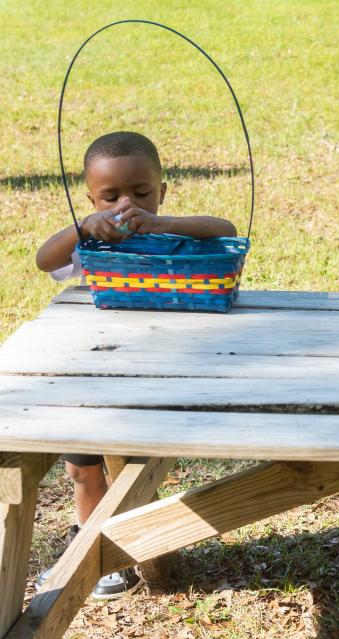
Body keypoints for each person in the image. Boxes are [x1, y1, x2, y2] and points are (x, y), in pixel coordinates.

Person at [35, 130, 236, 599]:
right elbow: (46, 260)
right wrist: (84, 226)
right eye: (110, 196)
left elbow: (224, 228)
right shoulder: (92, 246)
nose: (126, 204)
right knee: (83, 465)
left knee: (132, 464)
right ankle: (92, 547)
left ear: (160, 191)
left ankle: (118, 544)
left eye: (141, 192)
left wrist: (162, 222)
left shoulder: (173, 237)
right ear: (91, 198)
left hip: (163, 364)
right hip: (97, 366)